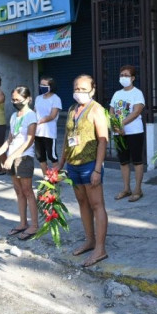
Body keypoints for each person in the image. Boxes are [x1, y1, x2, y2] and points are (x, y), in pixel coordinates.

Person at [56, 75, 109, 268]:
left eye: (84, 89)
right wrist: (61, 163)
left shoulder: (97, 110)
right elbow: (66, 137)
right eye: (77, 88)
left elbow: (103, 140)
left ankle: (100, 248)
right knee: (82, 203)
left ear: (92, 90)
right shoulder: (71, 110)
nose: (79, 92)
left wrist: (97, 169)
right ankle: (90, 240)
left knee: (97, 204)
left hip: (89, 164)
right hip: (73, 164)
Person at [0, 86, 39, 240]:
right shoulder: (14, 116)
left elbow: (29, 140)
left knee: (27, 191)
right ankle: (23, 223)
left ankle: (34, 225)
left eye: (18, 100)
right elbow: (10, 138)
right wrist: (0, 152)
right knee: (18, 191)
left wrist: (12, 156)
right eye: (13, 100)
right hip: (11, 156)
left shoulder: (31, 116)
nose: (15, 102)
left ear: (28, 99)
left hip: (24, 157)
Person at [109, 65, 146, 202]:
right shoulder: (117, 94)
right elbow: (111, 111)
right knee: (123, 162)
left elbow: (136, 112)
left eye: (126, 75)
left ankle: (137, 189)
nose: (123, 77)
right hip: (119, 133)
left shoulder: (137, 93)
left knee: (137, 161)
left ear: (133, 78)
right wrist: (116, 126)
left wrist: (121, 124)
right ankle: (126, 188)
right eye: (121, 75)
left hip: (134, 132)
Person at [34, 76, 61, 176]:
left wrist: (41, 121)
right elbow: (34, 111)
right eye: (41, 85)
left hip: (49, 133)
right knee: (40, 156)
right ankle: (46, 178)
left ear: (51, 86)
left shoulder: (56, 99)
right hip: (37, 132)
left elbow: (53, 115)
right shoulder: (38, 98)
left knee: (52, 156)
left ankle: (54, 178)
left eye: (45, 85)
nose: (42, 87)